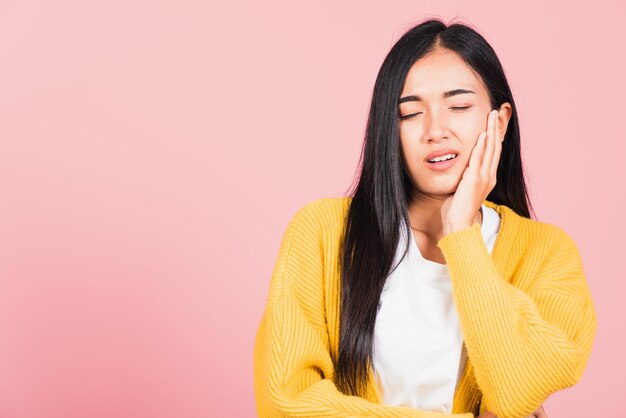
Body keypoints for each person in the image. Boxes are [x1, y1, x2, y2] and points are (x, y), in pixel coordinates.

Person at [253, 18, 597, 418]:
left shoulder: (547, 252)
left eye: (459, 106)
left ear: (499, 121)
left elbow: (519, 388)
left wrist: (461, 235)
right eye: (410, 114)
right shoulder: (322, 233)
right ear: (389, 129)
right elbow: (286, 400)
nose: (436, 130)